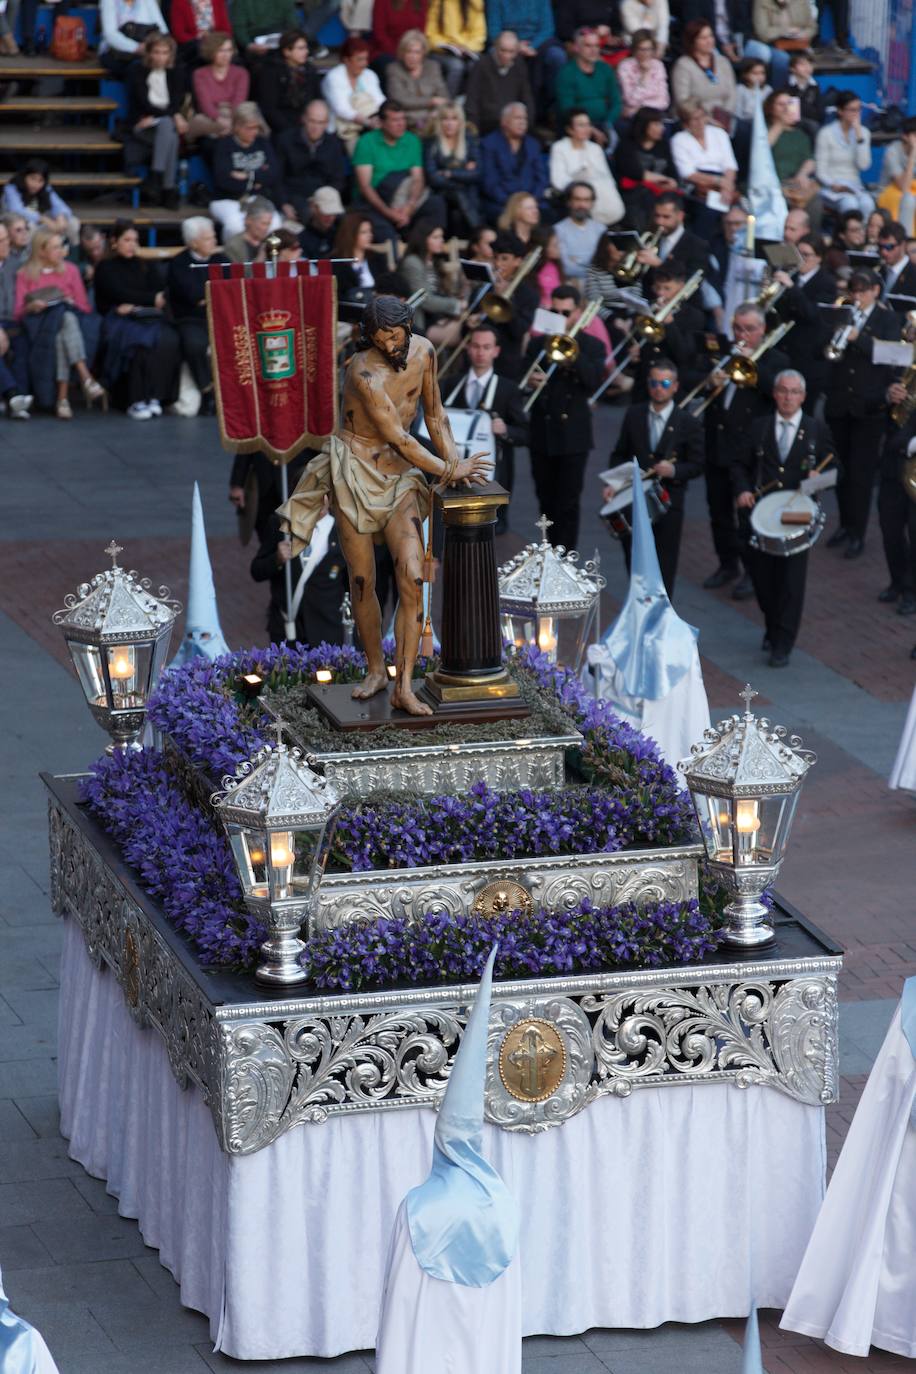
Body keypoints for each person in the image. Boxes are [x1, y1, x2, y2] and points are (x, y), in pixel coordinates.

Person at [279, 295, 489, 716]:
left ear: (408, 327)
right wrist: (450, 470)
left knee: (413, 578)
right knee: (362, 579)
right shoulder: (362, 372)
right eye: (380, 339)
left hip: (402, 478)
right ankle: (376, 668)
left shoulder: (425, 351)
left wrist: (453, 462)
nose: (390, 344)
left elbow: (435, 416)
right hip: (355, 471)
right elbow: (399, 436)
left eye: (394, 336)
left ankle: (404, 686)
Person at [734, 369, 835, 666]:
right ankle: (771, 626)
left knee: (791, 583)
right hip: (763, 513)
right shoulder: (759, 427)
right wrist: (741, 490)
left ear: (803, 396)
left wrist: (819, 478)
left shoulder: (816, 429)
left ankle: (783, 644)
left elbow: (835, 469)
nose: (788, 397)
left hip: (797, 513)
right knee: (764, 580)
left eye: (794, 392)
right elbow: (739, 464)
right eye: (783, 391)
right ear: (775, 394)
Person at [699, 300, 790, 596]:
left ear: (762, 330)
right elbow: (706, 391)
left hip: (750, 452)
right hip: (718, 444)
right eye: (737, 328)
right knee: (718, 511)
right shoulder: (726, 354)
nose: (742, 335)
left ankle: (753, 572)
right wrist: (711, 380)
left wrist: (752, 365)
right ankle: (727, 564)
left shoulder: (776, 359)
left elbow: (776, 392)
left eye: (749, 329)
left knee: (748, 517)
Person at [607, 358, 704, 595]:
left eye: (665, 382)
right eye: (654, 382)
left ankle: (661, 617)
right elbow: (620, 453)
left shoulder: (687, 422)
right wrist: (613, 483)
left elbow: (698, 464)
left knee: (664, 564)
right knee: (635, 560)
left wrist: (674, 470)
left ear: (675, 386)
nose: (659, 388)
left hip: (669, 504)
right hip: (636, 501)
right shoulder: (634, 414)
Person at [824, 268, 901, 557]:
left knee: (862, 474)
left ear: (875, 291)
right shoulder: (843, 312)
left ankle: (857, 532)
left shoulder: (888, 318)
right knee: (841, 470)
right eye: (854, 290)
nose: (857, 295)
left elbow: (890, 354)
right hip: (840, 402)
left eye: (863, 290)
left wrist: (858, 338)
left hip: (868, 407)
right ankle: (844, 524)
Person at [522, 284, 606, 551]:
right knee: (544, 498)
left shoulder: (591, 345)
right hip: (542, 433)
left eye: (565, 312)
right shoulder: (538, 344)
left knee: (568, 501)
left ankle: (566, 555)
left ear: (578, 312)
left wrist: (573, 355)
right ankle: (549, 551)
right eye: (554, 311)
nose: (560, 317)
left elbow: (593, 381)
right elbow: (521, 379)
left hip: (573, 437)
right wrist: (530, 381)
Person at [441, 320, 529, 531]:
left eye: (486, 347)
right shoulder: (449, 384)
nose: (480, 352)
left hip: (492, 476)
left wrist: (505, 429)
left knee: (490, 531)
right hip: (452, 475)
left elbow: (525, 434)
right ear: (468, 349)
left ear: (496, 351)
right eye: (476, 346)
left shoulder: (508, 389)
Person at [93, 219, 181, 421]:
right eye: (127, 240)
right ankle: (134, 399)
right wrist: (148, 300)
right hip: (117, 318)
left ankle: (156, 395)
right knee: (138, 343)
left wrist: (143, 301)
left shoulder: (143, 265)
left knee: (169, 338)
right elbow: (116, 292)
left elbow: (159, 288)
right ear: (114, 241)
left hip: (146, 316)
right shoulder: (105, 267)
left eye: (135, 240)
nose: (132, 244)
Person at [14, 228, 104, 420]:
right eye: (55, 248)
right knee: (63, 320)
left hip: (67, 321)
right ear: (41, 251)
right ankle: (85, 378)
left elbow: (85, 307)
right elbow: (18, 311)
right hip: (38, 324)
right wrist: (32, 306)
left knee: (65, 320)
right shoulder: (25, 274)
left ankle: (63, 399)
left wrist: (71, 302)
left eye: (61, 246)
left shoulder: (70, 270)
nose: (61, 251)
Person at [353, 99, 443, 244]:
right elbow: (365, 187)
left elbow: (418, 179)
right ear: (382, 123)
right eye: (395, 120)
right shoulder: (366, 142)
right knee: (387, 237)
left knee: (436, 204)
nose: (401, 124)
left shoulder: (412, 140)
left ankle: (429, 256)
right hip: (375, 204)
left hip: (404, 201)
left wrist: (410, 206)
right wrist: (390, 214)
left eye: (403, 119)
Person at [252, 511, 348, 646]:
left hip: (327, 630)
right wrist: (276, 559)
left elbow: (353, 586)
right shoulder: (281, 524)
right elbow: (256, 571)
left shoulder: (343, 529)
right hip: (287, 629)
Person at [125, 33, 188, 212]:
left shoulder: (176, 71)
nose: (160, 57)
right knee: (170, 130)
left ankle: (156, 178)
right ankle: (168, 188)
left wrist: (171, 115)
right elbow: (143, 102)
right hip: (143, 122)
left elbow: (175, 100)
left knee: (168, 128)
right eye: (157, 52)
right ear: (149, 53)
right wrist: (174, 115)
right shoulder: (137, 70)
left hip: (165, 125)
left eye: (165, 53)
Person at [166, 216, 222, 415]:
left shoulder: (221, 260)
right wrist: (209, 296)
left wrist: (206, 297)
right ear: (193, 242)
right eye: (208, 238)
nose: (214, 241)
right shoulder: (180, 263)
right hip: (190, 319)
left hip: (221, 317)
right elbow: (191, 295)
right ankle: (207, 391)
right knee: (195, 344)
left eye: (214, 237)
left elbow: (230, 290)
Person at [771, 234, 835, 404]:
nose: (800, 259)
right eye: (798, 254)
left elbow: (812, 314)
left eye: (806, 255)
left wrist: (792, 288)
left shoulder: (827, 283)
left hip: (807, 358)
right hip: (783, 351)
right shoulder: (791, 276)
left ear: (819, 258)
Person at [482, 0, 565, 120]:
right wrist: (516, 46)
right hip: (507, 42)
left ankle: (552, 111)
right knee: (497, 55)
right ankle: (500, 114)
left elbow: (547, 28)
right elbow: (494, 30)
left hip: (537, 43)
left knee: (556, 56)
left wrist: (532, 46)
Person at [209, 105, 283, 239]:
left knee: (274, 225)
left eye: (256, 127)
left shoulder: (263, 143)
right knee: (235, 227)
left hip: (257, 198)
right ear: (237, 126)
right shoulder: (224, 145)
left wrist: (248, 176)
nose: (254, 132)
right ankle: (234, 258)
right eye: (249, 128)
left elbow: (273, 174)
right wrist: (257, 180)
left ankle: (264, 259)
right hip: (228, 199)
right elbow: (224, 180)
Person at [549, 109, 625, 228]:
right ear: (569, 129)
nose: (586, 129)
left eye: (588, 125)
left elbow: (608, 178)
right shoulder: (560, 147)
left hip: (602, 198)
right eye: (581, 125)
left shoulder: (595, 148)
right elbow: (558, 180)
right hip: (575, 197)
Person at [671, 104, 738, 236]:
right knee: (709, 214)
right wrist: (718, 182)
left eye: (702, 117)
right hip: (697, 185)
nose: (700, 122)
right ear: (686, 123)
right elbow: (688, 173)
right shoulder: (679, 140)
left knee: (736, 214)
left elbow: (730, 165)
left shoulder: (719, 133)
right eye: (695, 119)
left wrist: (726, 186)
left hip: (724, 182)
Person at [878, 383, 916, 616]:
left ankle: (911, 591)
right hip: (893, 470)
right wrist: (889, 397)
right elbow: (886, 427)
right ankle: (897, 581)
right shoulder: (902, 372)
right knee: (890, 530)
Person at [278, 101, 348, 221]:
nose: (315, 127)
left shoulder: (333, 144)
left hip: (324, 195)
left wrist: (325, 198)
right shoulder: (286, 140)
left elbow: (338, 179)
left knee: (341, 221)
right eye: (312, 121)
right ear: (303, 119)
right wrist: (283, 203)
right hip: (294, 195)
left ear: (326, 124)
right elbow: (277, 177)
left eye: (320, 123)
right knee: (309, 216)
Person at [479, 103, 547, 223]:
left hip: (531, 200)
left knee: (548, 213)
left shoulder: (533, 144)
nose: (522, 122)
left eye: (524, 118)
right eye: (517, 118)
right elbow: (489, 182)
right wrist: (513, 204)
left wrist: (530, 202)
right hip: (501, 202)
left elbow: (541, 178)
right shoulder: (489, 144)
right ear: (504, 122)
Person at [400, 219, 465, 346]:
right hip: (421, 322)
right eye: (435, 237)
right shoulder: (412, 262)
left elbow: (441, 293)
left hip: (437, 317)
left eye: (441, 237)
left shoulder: (434, 262)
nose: (441, 240)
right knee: (465, 331)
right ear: (423, 239)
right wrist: (457, 305)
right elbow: (425, 300)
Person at [612, 106, 678, 229]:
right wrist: (661, 179)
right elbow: (633, 172)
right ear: (645, 125)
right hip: (634, 193)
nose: (662, 128)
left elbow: (673, 173)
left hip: (661, 192)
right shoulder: (626, 144)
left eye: (662, 124)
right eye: (657, 124)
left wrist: (672, 182)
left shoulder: (663, 145)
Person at [554, 27, 621, 141]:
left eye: (596, 46)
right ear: (576, 47)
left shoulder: (605, 69)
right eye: (588, 46)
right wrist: (590, 129)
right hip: (577, 126)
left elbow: (616, 101)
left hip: (605, 122)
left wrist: (608, 124)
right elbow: (567, 109)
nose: (593, 50)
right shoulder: (566, 73)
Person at [815, 91, 874, 220]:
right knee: (849, 203)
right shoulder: (826, 133)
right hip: (831, 187)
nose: (857, 114)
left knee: (867, 203)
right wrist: (833, 184)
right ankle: (847, 236)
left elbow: (864, 166)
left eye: (859, 109)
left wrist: (859, 137)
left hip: (854, 186)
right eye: (852, 110)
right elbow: (820, 171)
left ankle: (864, 237)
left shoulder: (864, 133)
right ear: (840, 111)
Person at [463, 30, 535, 137]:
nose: (506, 55)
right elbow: (472, 100)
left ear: (516, 51)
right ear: (495, 48)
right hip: (487, 125)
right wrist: (473, 131)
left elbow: (526, 97)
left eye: (511, 52)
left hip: (512, 125)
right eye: (503, 50)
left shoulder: (519, 66)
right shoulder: (481, 65)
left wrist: (528, 123)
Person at [423, 103, 481, 234]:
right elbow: (433, 178)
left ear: (460, 122)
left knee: (459, 211)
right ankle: (477, 230)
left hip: (467, 193)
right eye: (445, 119)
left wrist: (449, 173)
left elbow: (477, 173)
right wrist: (463, 173)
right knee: (459, 195)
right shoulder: (431, 143)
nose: (449, 123)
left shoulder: (469, 140)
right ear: (439, 121)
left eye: (454, 119)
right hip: (442, 193)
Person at [322, 37, 385, 153]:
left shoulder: (369, 75)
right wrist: (368, 122)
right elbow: (342, 109)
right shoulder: (334, 77)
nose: (364, 64)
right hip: (343, 129)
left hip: (371, 123)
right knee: (361, 152)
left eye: (366, 59)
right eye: (359, 60)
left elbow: (380, 101)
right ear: (346, 60)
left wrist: (378, 119)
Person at [765, 89, 818, 224]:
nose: (785, 108)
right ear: (771, 108)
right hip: (771, 184)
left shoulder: (800, 135)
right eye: (781, 105)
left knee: (815, 201)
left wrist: (802, 174)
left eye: (788, 104)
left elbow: (810, 159)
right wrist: (780, 124)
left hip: (794, 183)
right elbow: (763, 148)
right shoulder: (765, 128)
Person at [257, 30, 322, 136]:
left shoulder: (310, 71)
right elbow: (269, 109)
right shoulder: (271, 71)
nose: (306, 52)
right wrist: (289, 131)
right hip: (281, 129)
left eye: (306, 48)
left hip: (308, 126)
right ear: (287, 51)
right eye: (301, 48)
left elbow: (317, 99)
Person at [639, 189, 711, 284]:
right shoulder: (650, 238)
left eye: (666, 217)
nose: (660, 222)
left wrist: (659, 264)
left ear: (680, 216)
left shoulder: (698, 245)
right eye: (657, 216)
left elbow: (692, 281)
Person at [189, 32, 250, 145]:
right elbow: (205, 104)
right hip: (211, 117)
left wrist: (230, 121)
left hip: (235, 115)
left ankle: (221, 133)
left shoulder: (241, 73)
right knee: (198, 121)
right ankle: (232, 131)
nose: (226, 55)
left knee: (250, 113)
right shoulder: (200, 74)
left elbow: (239, 100)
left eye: (229, 50)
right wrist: (222, 122)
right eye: (221, 50)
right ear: (211, 52)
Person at [670, 21, 737, 123]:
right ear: (692, 41)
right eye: (703, 38)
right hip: (696, 120)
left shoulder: (723, 62)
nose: (709, 41)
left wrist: (724, 116)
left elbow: (732, 94)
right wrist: (707, 119)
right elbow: (683, 101)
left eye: (710, 36)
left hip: (724, 117)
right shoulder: (683, 65)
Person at [385, 29, 449, 134]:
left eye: (417, 52)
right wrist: (431, 101)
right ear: (402, 52)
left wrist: (433, 112)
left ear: (423, 53)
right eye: (408, 52)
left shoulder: (433, 67)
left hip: (432, 119)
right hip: (407, 121)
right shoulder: (394, 69)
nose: (413, 56)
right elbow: (399, 100)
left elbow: (444, 97)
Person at [0, 159, 78, 242]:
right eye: (32, 178)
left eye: (40, 180)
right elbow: (16, 210)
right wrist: (43, 219)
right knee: (30, 228)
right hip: (16, 223)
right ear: (24, 176)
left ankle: (65, 252)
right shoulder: (11, 188)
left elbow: (59, 204)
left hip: (38, 222)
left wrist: (61, 217)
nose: (36, 184)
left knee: (72, 223)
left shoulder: (45, 188)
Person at [424, 0, 487, 99]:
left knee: (476, 65)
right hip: (442, 51)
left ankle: (469, 103)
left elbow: (479, 35)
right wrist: (448, 45)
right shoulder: (438, 3)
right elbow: (430, 35)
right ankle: (447, 105)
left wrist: (467, 47)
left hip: (468, 50)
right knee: (456, 66)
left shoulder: (474, 3)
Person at [554, 181, 607, 282]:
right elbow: (567, 268)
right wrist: (592, 264)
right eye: (577, 199)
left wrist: (577, 260)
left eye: (586, 200)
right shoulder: (558, 230)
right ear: (569, 202)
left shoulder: (601, 229)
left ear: (592, 203)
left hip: (599, 286)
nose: (582, 205)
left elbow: (606, 263)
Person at [98, 0, 168, 77]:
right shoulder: (109, 1)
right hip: (116, 53)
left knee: (174, 64)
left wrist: (153, 46)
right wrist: (137, 47)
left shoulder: (148, 1)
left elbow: (163, 30)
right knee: (138, 68)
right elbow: (110, 34)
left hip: (150, 48)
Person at [615, 31, 670, 119]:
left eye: (649, 49)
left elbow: (664, 101)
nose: (645, 53)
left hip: (655, 114)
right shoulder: (625, 66)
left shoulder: (658, 65)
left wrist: (640, 108)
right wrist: (645, 74)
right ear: (634, 50)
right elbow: (631, 101)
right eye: (641, 49)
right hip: (636, 117)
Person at [332, 212, 378, 302]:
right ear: (351, 234)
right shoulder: (336, 262)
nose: (370, 235)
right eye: (364, 232)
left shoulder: (376, 258)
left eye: (370, 231)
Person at [878, 119, 916, 226]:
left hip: (912, 191)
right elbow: (903, 186)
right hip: (888, 192)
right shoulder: (892, 151)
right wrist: (913, 153)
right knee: (908, 201)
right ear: (905, 136)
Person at [230, 0, 299, 59]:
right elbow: (238, 28)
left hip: (282, 40)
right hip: (254, 42)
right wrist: (249, 45)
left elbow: (293, 24)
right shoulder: (241, 2)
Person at [221, 197, 277, 263]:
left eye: (269, 224)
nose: (266, 228)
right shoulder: (233, 245)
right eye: (264, 223)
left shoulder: (270, 241)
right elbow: (238, 272)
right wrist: (261, 256)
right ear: (249, 220)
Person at [877, 221, 916, 308]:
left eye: (889, 247)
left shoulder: (913, 274)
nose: (884, 252)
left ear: (902, 245)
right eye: (881, 247)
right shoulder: (879, 272)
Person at [733, 57, 771, 124]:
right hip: (745, 123)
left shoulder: (768, 89)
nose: (759, 76)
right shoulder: (740, 89)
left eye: (762, 73)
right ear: (745, 74)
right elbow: (737, 113)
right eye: (755, 73)